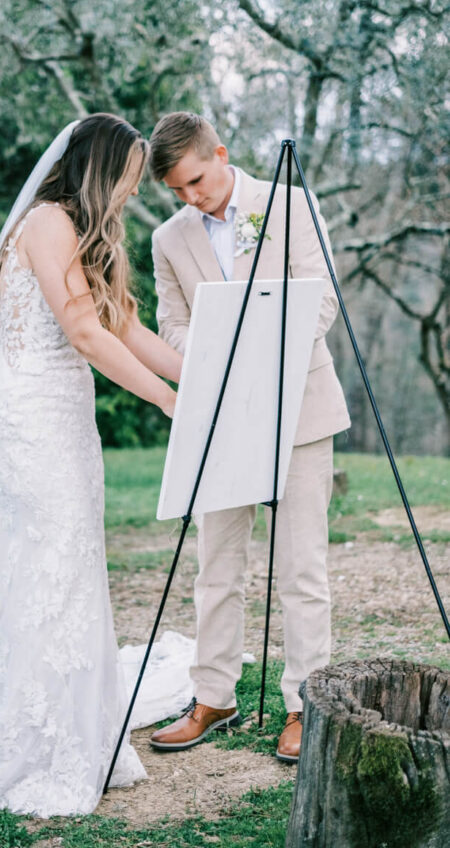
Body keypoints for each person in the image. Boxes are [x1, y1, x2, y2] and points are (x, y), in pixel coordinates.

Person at [0, 114, 183, 817]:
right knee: (52, 571)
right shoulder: (47, 223)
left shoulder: (81, 234)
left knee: (71, 569)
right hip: (31, 423)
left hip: (65, 421)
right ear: (101, 171)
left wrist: (199, 376)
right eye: (129, 181)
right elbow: (80, 329)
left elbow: (124, 325)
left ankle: (76, 734)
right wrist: (167, 402)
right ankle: (38, 746)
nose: (132, 196)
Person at [146, 112, 350, 762]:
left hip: (301, 407)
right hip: (221, 418)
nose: (192, 198)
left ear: (221, 154)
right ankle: (214, 696)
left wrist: (265, 356)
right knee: (216, 565)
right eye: (179, 191)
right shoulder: (168, 239)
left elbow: (322, 300)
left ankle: (303, 703)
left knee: (302, 568)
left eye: (197, 182)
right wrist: (212, 356)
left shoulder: (289, 203)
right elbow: (171, 321)